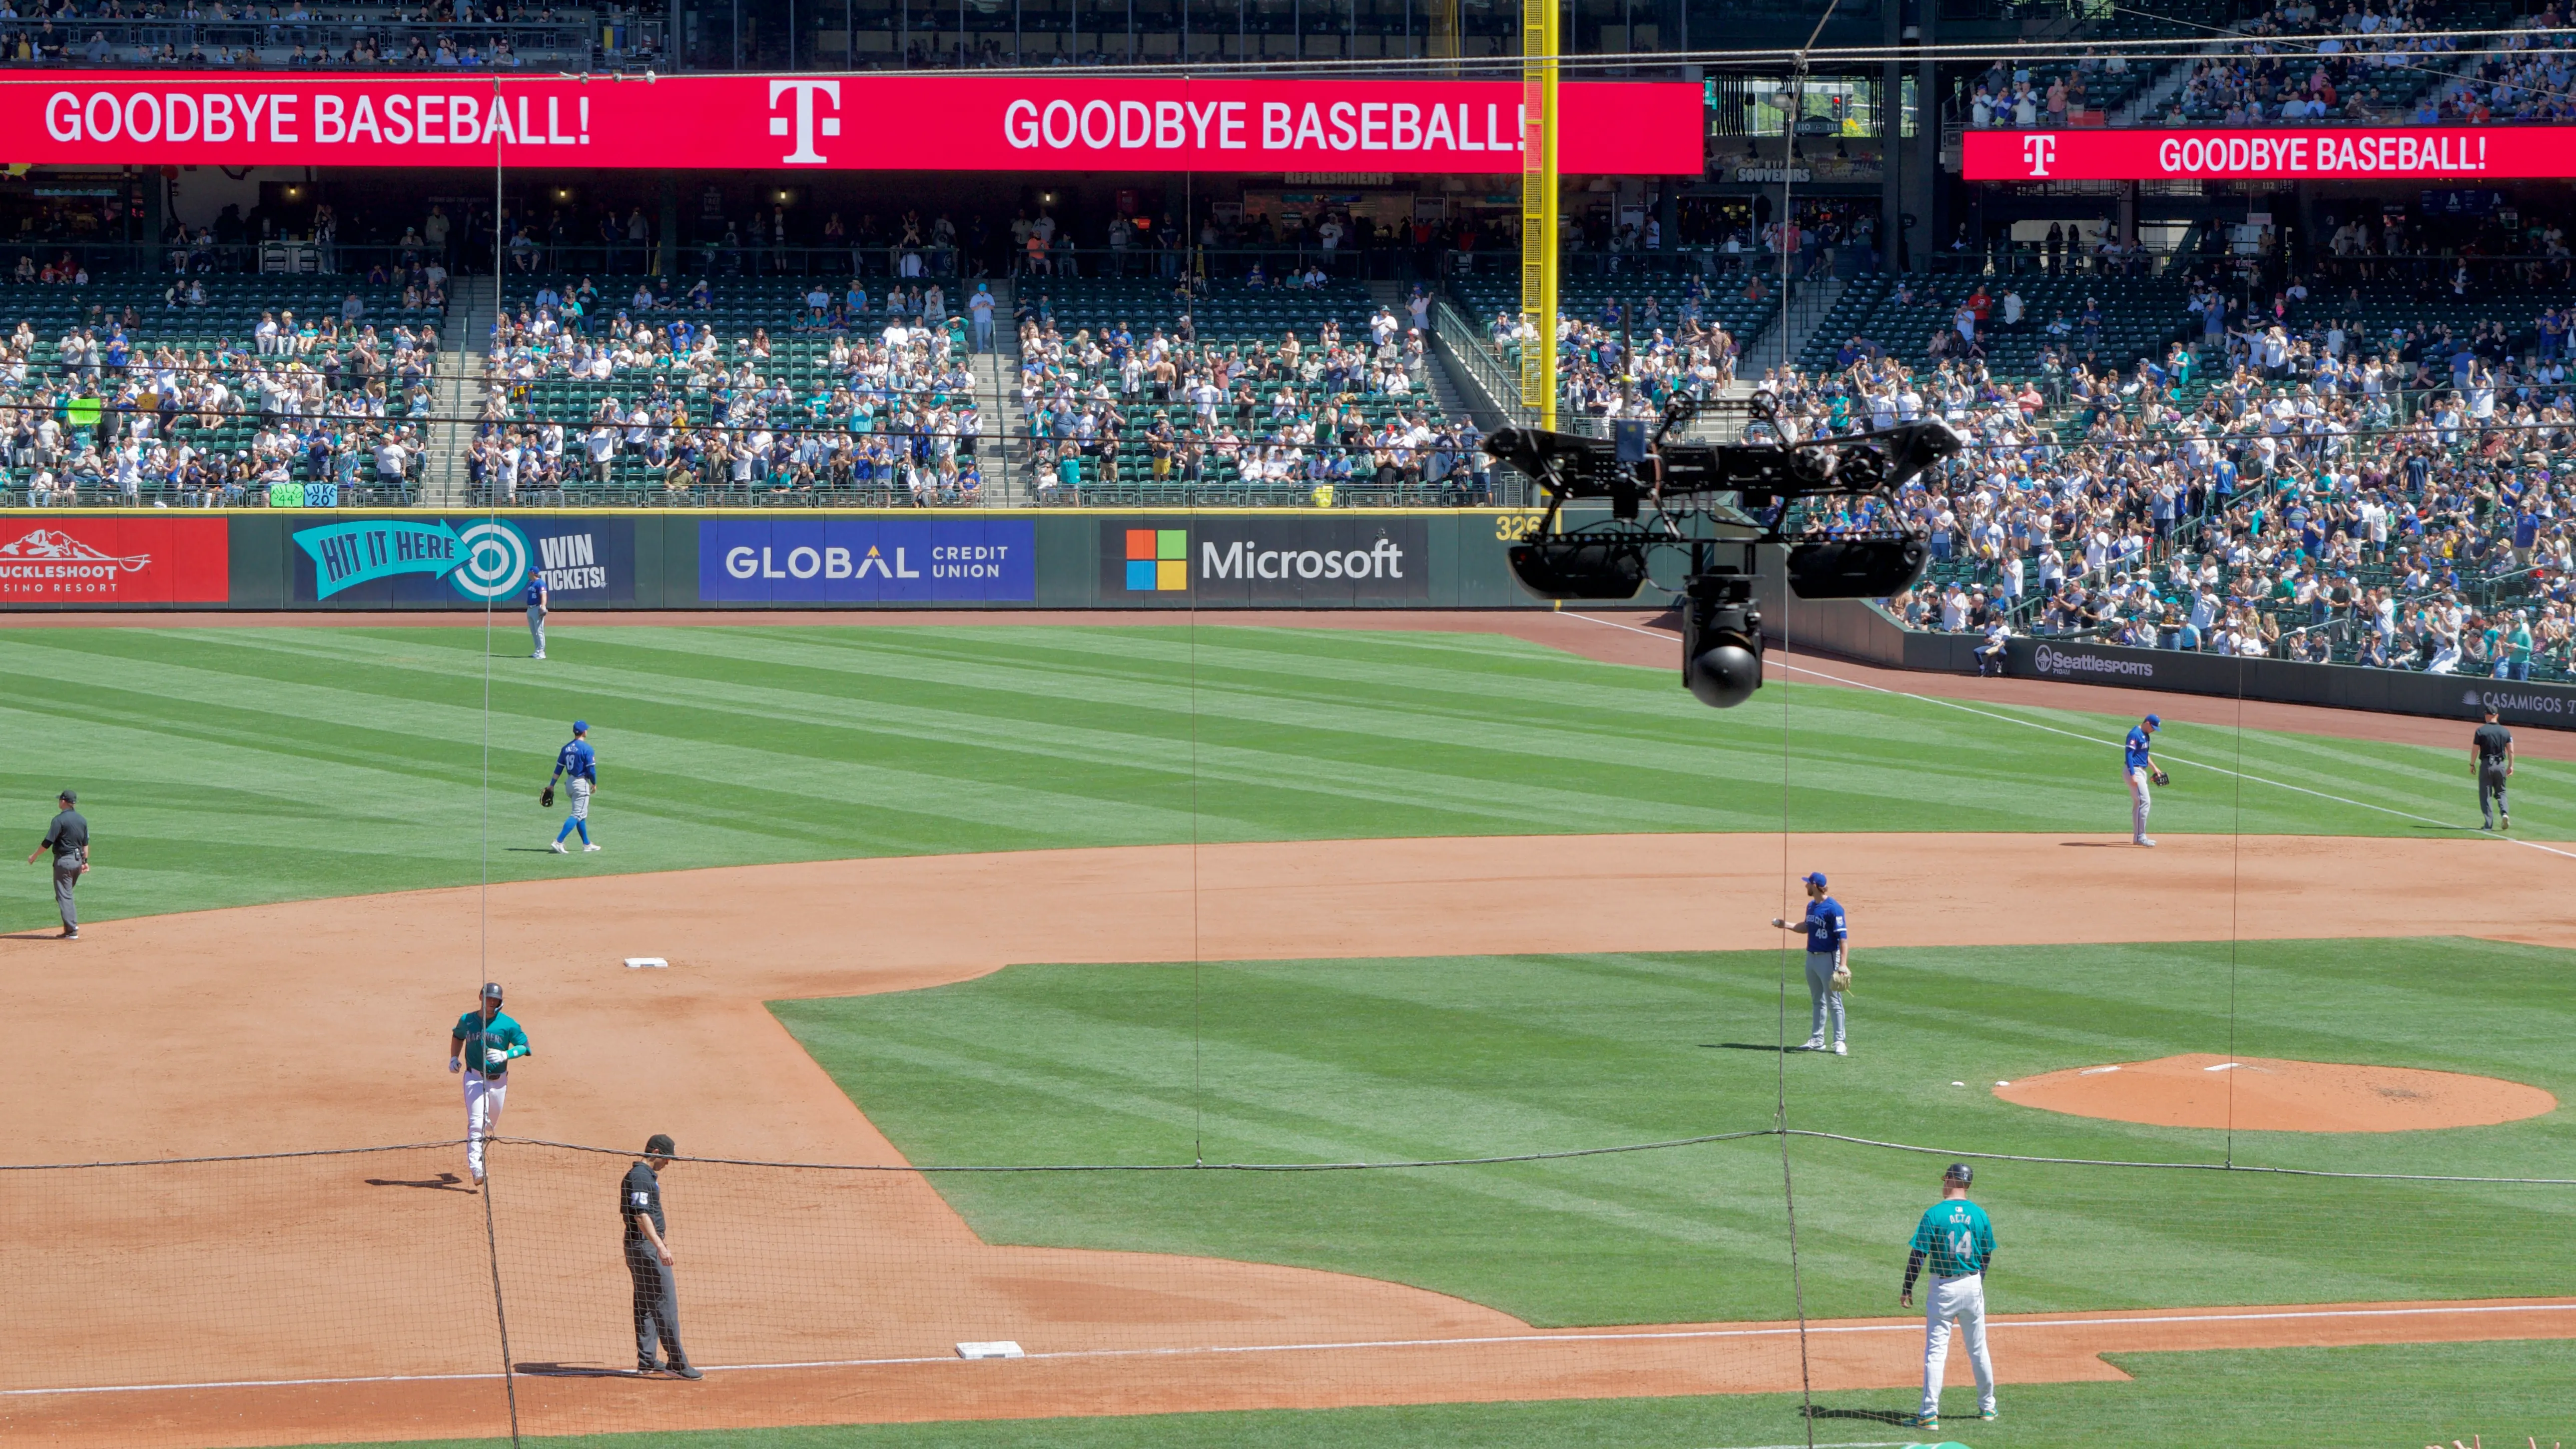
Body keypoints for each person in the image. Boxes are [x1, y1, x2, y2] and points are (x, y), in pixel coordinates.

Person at [1901, 1162, 1998, 1431]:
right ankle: (1988, 1408)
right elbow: (1987, 1253)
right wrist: (1978, 1281)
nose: (1943, 1183)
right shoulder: (1980, 1214)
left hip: (1943, 1288)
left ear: (1954, 1181)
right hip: (1972, 1284)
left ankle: (1929, 1414)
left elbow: (1918, 1254)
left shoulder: (1935, 1214)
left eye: (1946, 1179)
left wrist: (1907, 1287)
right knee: (1979, 1349)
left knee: (1936, 1351)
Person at [624, 1133, 702, 1379]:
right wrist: (661, 1247)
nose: (668, 1163)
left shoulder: (643, 1176)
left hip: (639, 1247)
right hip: (646, 1248)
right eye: (666, 1158)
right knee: (665, 1304)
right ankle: (678, 1365)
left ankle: (647, 1361)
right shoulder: (640, 1176)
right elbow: (641, 1215)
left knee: (646, 1304)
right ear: (656, 1153)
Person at [448, 981, 530, 1189]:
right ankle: (476, 1168)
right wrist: (453, 1058)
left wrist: (506, 1054)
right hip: (474, 1078)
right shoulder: (467, 1020)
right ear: (481, 997)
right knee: (476, 1123)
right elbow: (458, 1036)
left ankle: (479, 1155)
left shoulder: (508, 1024)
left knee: (489, 1125)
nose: (492, 1002)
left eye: (496, 1000)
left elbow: (525, 1047)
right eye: (489, 998)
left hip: (499, 1081)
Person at [1768, 870, 1848, 1054]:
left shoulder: (1834, 908)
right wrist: (1785, 924)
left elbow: (1843, 938)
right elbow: (1806, 927)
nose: (1805, 886)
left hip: (1829, 958)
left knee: (1834, 1001)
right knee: (1817, 1000)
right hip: (1811, 958)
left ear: (1815, 886)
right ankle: (1817, 1040)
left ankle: (1840, 1041)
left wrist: (1843, 964)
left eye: (1808, 884)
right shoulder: (1811, 906)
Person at [24, 788, 88, 940]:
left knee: (64, 895)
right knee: (66, 894)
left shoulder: (59, 820)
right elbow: (85, 844)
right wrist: (85, 862)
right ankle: (69, 927)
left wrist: (34, 856)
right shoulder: (82, 820)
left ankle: (72, 929)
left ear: (64, 802)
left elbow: (48, 842)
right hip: (78, 861)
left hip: (65, 862)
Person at [548, 721, 601, 853]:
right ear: (584, 732)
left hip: (570, 784)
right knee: (577, 814)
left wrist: (552, 786)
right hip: (580, 784)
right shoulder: (587, 749)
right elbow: (591, 770)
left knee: (581, 815)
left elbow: (558, 769)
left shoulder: (566, 748)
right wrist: (594, 783)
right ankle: (558, 842)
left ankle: (587, 844)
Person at [2473, 703, 2514, 831]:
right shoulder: (2505, 731)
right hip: (2500, 765)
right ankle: (2505, 813)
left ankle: (2488, 823)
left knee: (2486, 795)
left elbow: (2475, 750)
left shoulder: (2481, 731)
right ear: (2497, 716)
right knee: (2501, 792)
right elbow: (2511, 751)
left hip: (2486, 765)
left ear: (2487, 715)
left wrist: (2472, 764)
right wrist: (2511, 766)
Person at [2124, 713, 2161, 847]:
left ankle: (2137, 837)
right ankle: (2141, 837)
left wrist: (2155, 768)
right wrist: (2133, 774)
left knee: (2139, 803)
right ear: (2147, 723)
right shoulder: (2135, 734)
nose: (2154, 731)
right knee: (2145, 802)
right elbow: (2128, 754)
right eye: (2153, 728)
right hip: (2134, 771)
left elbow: (2145, 755)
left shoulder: (2146, 736)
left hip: (2142, 771)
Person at [525, 571, 550, 661]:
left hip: (537, 608)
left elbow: (544, 596)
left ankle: (542, 652)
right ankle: (537, 650)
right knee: (534, 631)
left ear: (533, 573)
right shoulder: (532, 583)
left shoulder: (540, 583)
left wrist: (543, 607)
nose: (528, 574)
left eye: (529, 573)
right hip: (530, 609)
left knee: (539, 631)